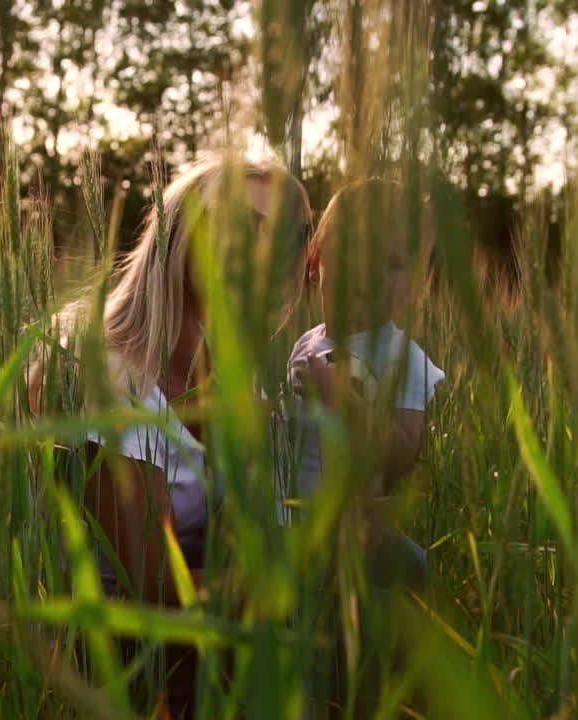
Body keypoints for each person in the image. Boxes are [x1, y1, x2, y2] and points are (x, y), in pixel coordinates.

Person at [29, 155, 314, 719]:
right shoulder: (108, 372)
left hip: (201, 624)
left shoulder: (228, 372)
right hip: (112, 646)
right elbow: (154, 581)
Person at [283, 178, 445, 586]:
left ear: (414, 284)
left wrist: (344, 402)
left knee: (406, 566)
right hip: (290, 518)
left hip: (355, 529)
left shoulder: (403, 358)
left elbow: (404, 453)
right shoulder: (306, 343)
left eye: (391, 264)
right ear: (316, 260)